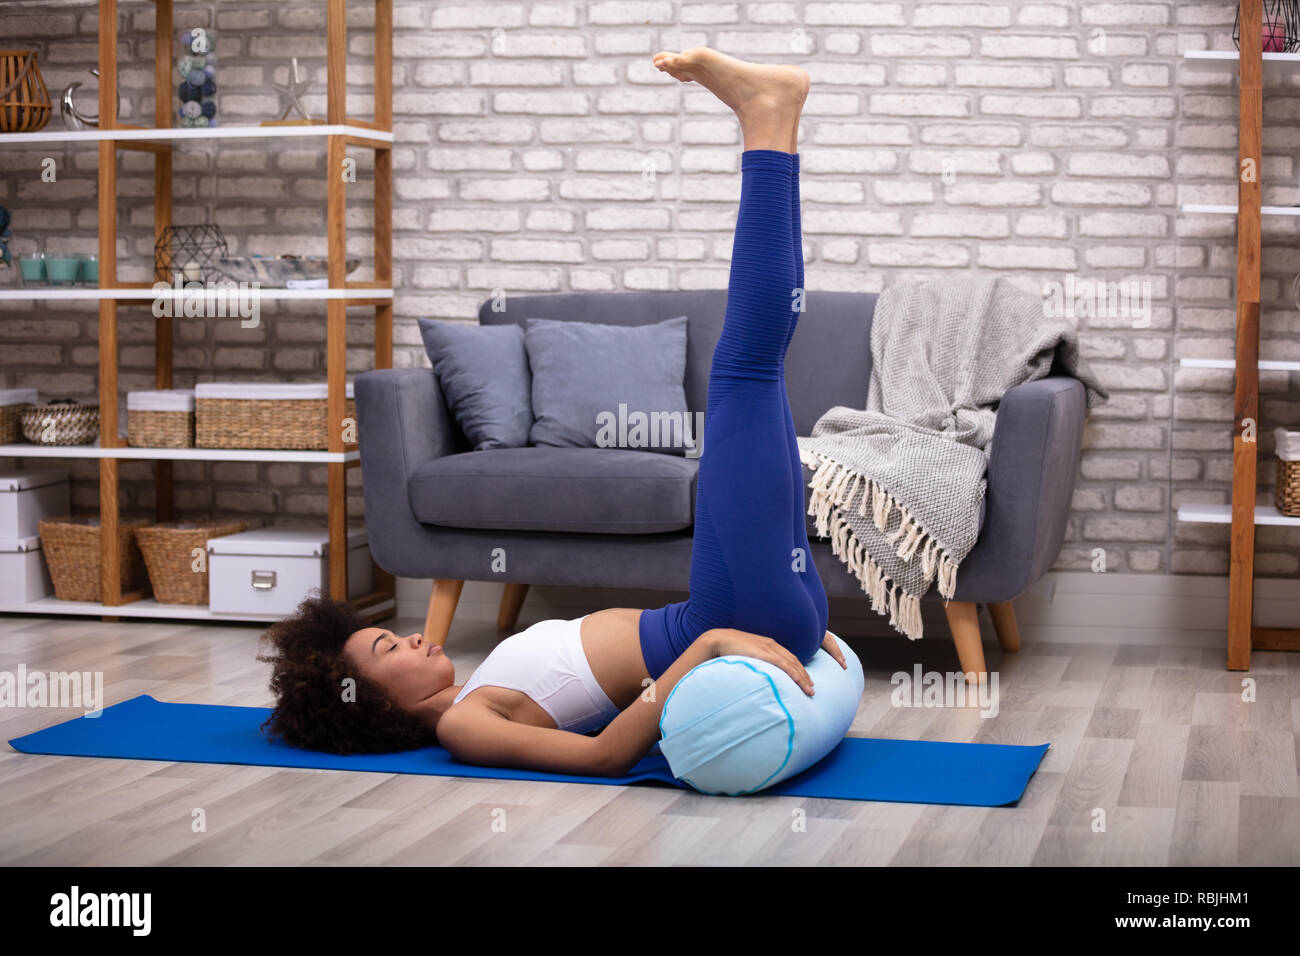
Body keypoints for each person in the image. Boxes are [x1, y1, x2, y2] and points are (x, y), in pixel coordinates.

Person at [258, 47, 847, 775]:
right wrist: (710, 647)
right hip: (725, 620)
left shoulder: (481, 686)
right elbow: (602, 756)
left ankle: (775, 120)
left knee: (753, 370)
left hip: (734, 606)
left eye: (395, 637)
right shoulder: (466, 728)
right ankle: (768, 122)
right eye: (390, 650)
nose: (410, 638)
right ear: (373, 702)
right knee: (746, 369)